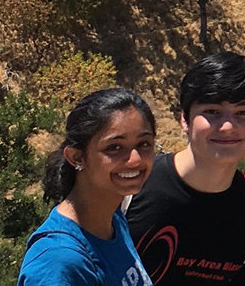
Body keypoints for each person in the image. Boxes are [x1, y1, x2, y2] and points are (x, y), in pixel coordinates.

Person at [126, 52, 245, 285]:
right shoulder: (128, 187)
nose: (228, 126)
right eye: (212, 111)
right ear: (184, 119)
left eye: (243, 113)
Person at [21, 88, 161, 286]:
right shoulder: (59, 261)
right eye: (114, 147)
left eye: (144, 143)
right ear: (77, 157)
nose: (135, 159)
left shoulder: (113, 219)